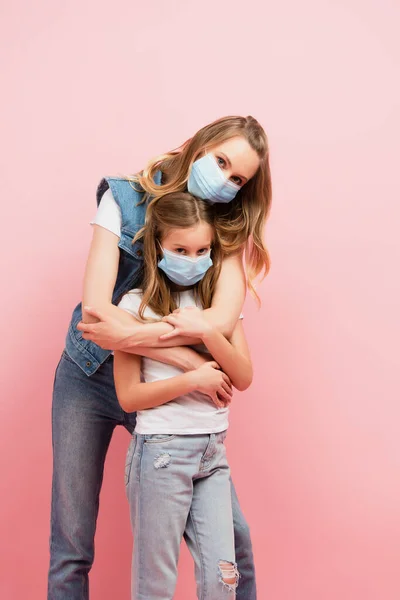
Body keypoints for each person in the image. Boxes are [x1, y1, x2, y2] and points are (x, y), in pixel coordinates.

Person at [48, 115, 272, 600]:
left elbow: (221, 318)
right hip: (88, 378)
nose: (226, 181)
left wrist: (160, 350)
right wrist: (191, 364)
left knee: (235, 544)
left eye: (239, 179)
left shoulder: (224, 225)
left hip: (169, 397)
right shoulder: (123, 198)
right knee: (72, 543)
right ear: (197, 145)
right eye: (221, 162)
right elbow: (96, 312)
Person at [114, 191, 253, 599]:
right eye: (180, 249)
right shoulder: (133, 306)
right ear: (158, 244)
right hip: (161, 453)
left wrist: (207, 330)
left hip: (213, 453)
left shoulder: (218, 306)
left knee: (222, 579)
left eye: (202, 250)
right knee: (155, 583)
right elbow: (129, 397)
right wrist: (194, 379)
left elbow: (243, 376)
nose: (192, 259)